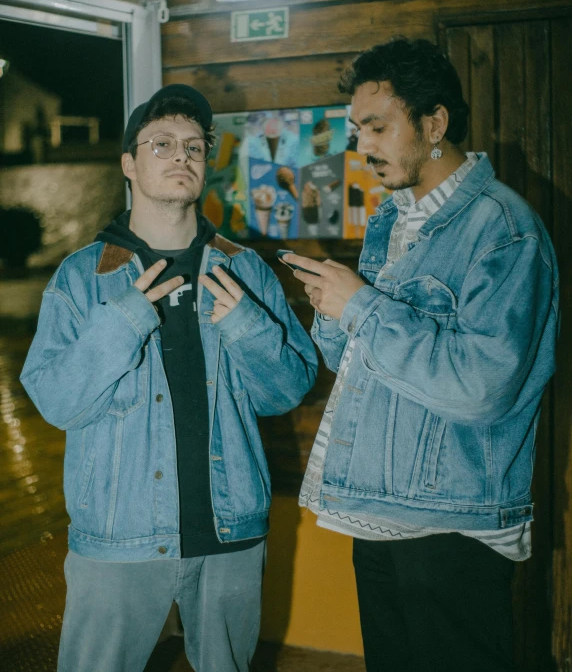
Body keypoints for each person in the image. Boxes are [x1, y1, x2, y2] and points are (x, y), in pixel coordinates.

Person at [21, 83, 318, 672]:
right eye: (161, 144)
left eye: (193, 146)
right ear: (129, 162)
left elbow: (287, 389)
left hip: (230, 531)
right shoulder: (82, 277)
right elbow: (56, 400)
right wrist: (125, 320)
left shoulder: (245, 269)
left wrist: (248, 328)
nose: (181, 155)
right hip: (118, 539)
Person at [285, 38, 559, 672]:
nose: (362, 147)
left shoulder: (504, 230)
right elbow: (369, 366)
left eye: (377, 127)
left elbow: (482, 385)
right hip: (379, 509)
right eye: (357, 130)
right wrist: (334, 311)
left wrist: (362, 307)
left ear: (435, 124)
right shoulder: (392, 219)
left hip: (452, 526)